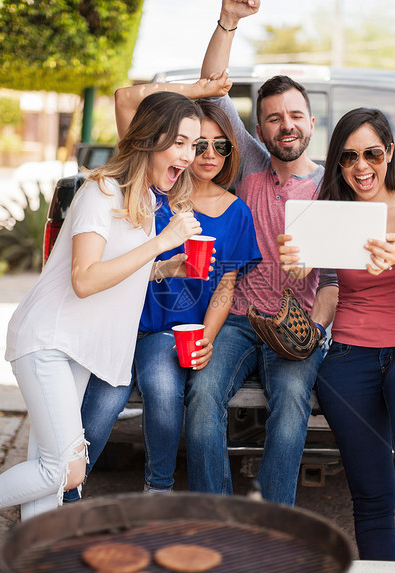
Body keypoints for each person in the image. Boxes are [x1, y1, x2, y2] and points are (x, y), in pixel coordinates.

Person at [0, 92, 204, 573]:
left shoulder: (141, 199)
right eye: (179, 142)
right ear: (151, 138)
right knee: (63, 468)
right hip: (48, 341)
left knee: (49, 473)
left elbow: (119, 269)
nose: (188, 155)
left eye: (195, 145)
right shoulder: (101, 192)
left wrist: (164, 267)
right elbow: (85, 278)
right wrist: (162, 242)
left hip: (78, 351)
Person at [278, 108, 395, 569]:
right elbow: (313, 275)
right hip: (349, 358)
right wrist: (296, 264)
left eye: (372, 153)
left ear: (389, 153)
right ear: (338, 163)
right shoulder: (333, 217)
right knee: (371, 492)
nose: (362, 166)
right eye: (349, 156)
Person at [183, 0, 338, 507]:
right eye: (273, 119)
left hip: (295, 323)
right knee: (203, 396)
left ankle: (275, 524)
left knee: (292, 401)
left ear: (312, 123)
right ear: (259, 128)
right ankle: (218, 518)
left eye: (295, 116)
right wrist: (228, 20)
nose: (285, 125)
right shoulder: (246, 157)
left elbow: (335, 281)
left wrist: (315, 330)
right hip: (236, 317)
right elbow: (213, 84)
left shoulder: (331, 187)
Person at [95, 76, 262, 496]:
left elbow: (226, 287)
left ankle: (158, 491)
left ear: (232, 152)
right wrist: (198, 92)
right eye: (195, 144)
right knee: (125, 398)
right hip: (129, 323)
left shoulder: (237, 211)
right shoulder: (155, 187)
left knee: (162, 385)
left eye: (220, 145)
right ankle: (73, 487)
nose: (207, 154)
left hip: (178, 332)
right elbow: (125, 98)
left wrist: (206, 338)